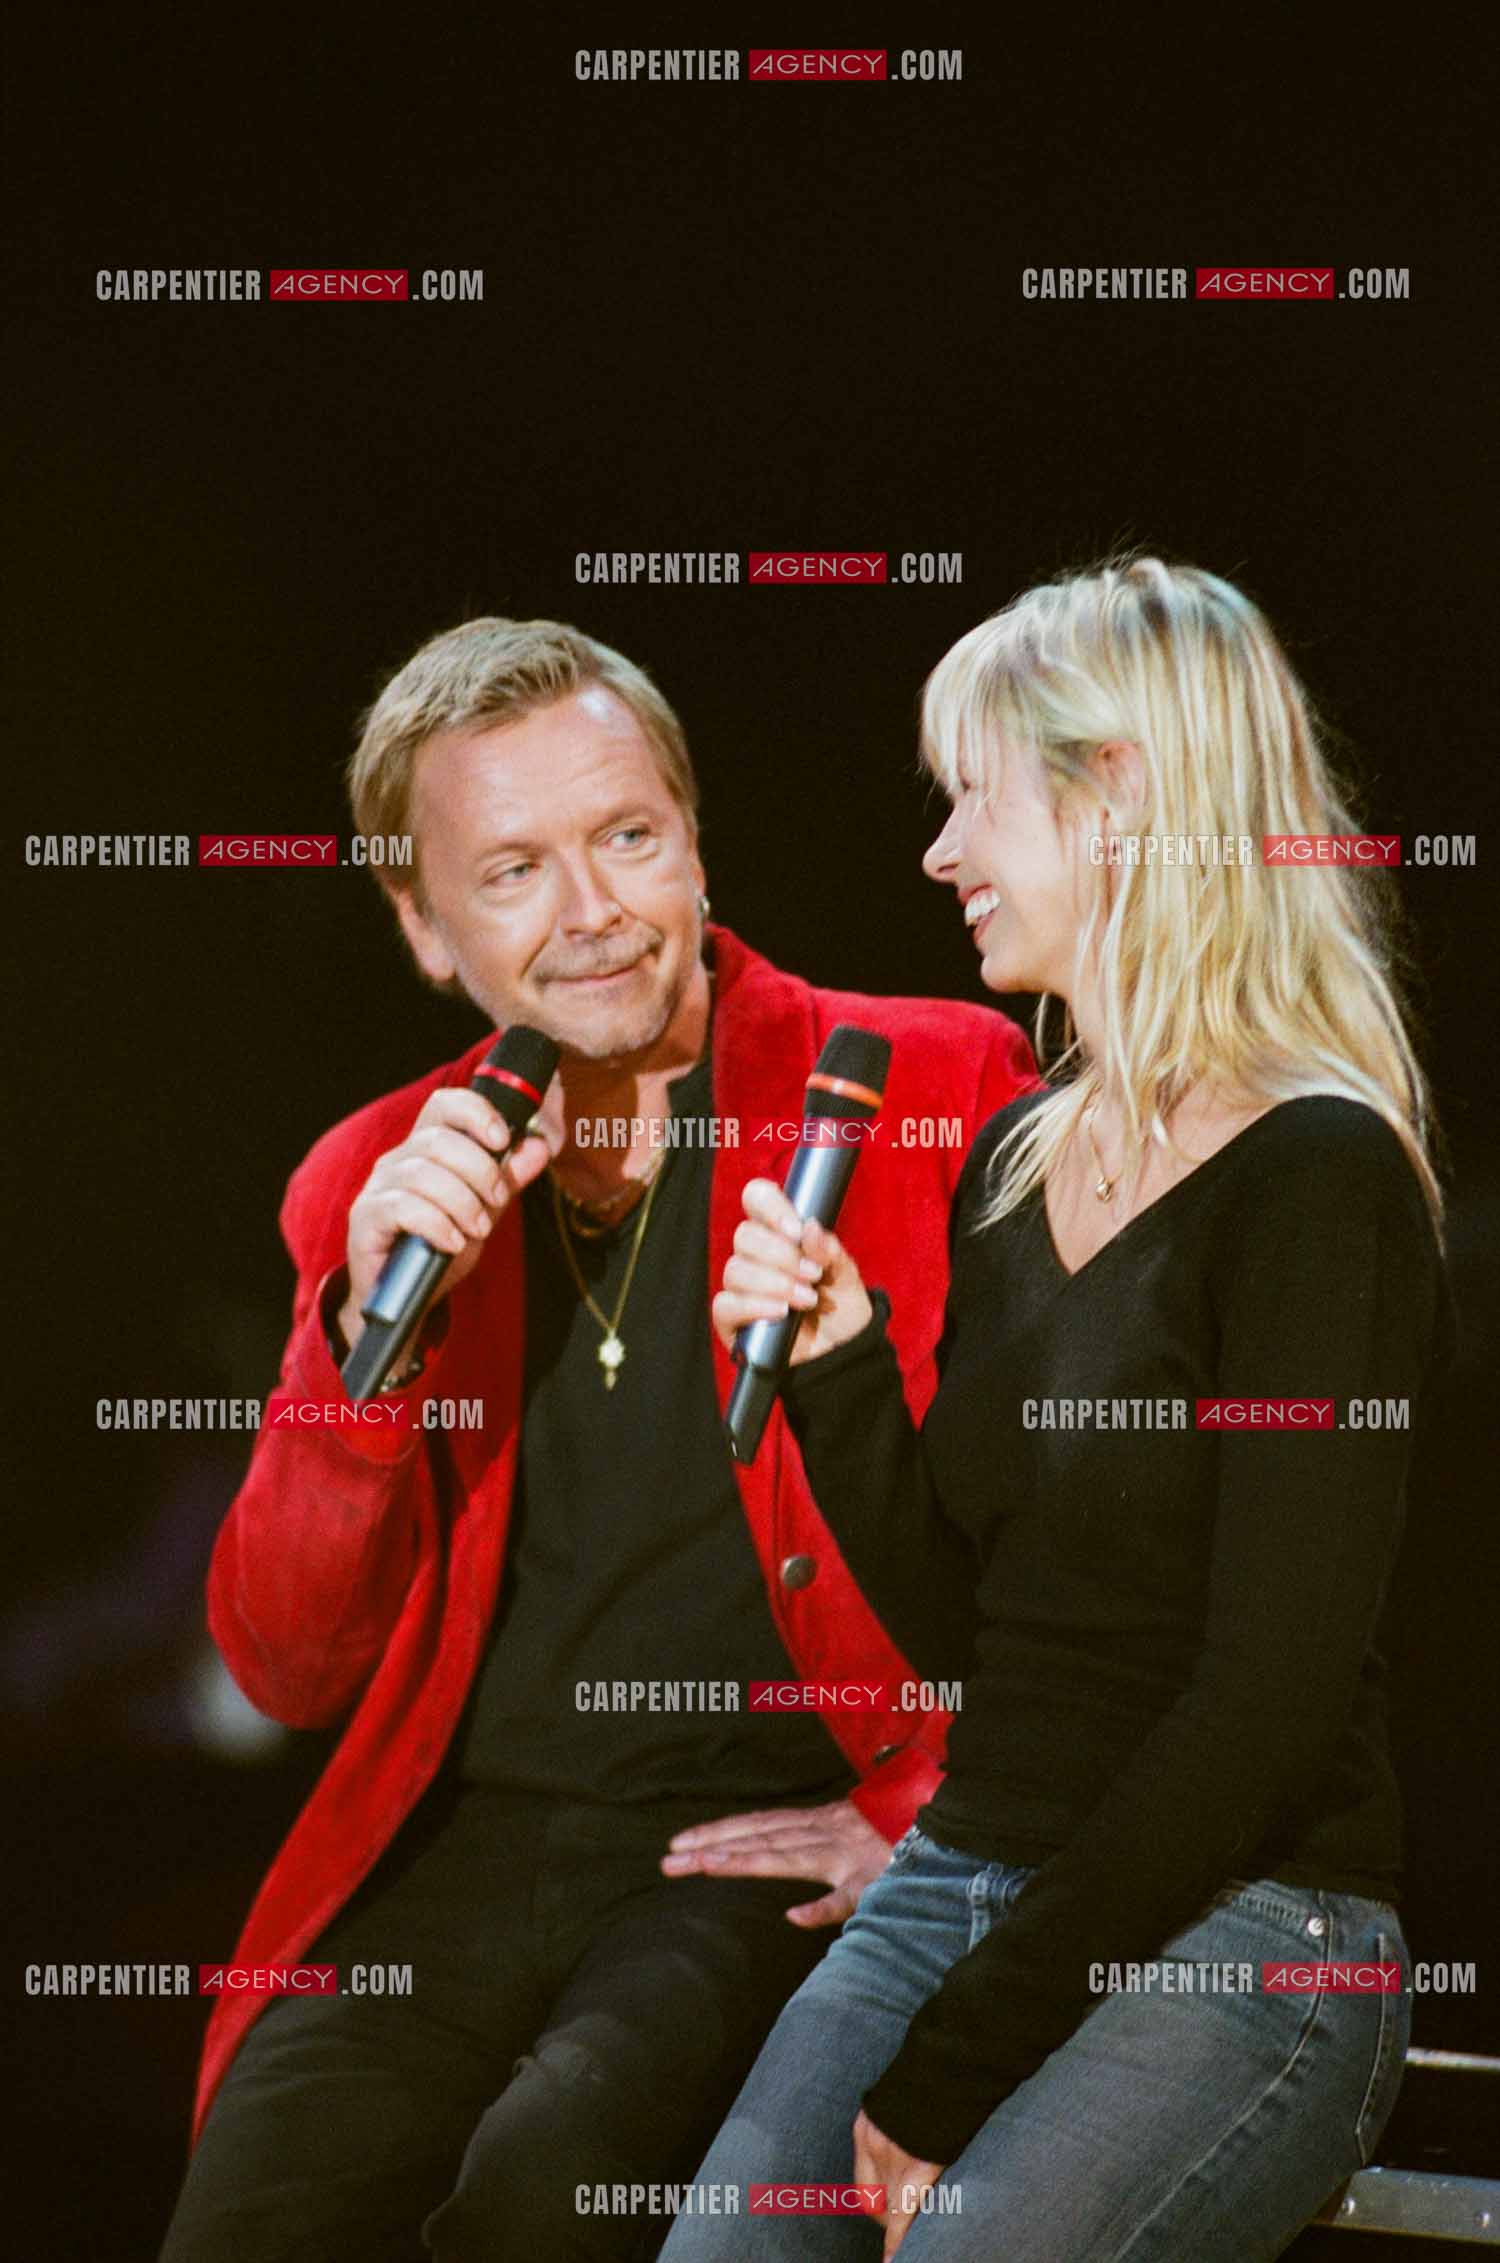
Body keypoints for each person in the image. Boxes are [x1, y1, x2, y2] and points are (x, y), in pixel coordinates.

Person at [161, 617, 1037, 2262]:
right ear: (423, 928)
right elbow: (282, 1666)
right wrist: (368, 1357)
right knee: (253, 2215)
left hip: (753, 1835)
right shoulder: (374, 1178)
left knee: (552, 2191)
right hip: (463, 1843)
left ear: (694, 838)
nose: (593, 915)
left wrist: (931, 1801)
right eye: (512, 872)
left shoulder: (929, 1082)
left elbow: (1074, 1538)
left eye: (627, 838)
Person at [667, 557, 1454, 2262]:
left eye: (977, 800)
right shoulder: (1025, 1162)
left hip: (1251, 1922)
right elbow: (996, 1631)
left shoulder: (1320, 1179)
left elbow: (1262, 1706)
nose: (941, 854)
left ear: (1124, 794)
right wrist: (843, 1374)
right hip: (977, 1877)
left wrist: (954, 2066)